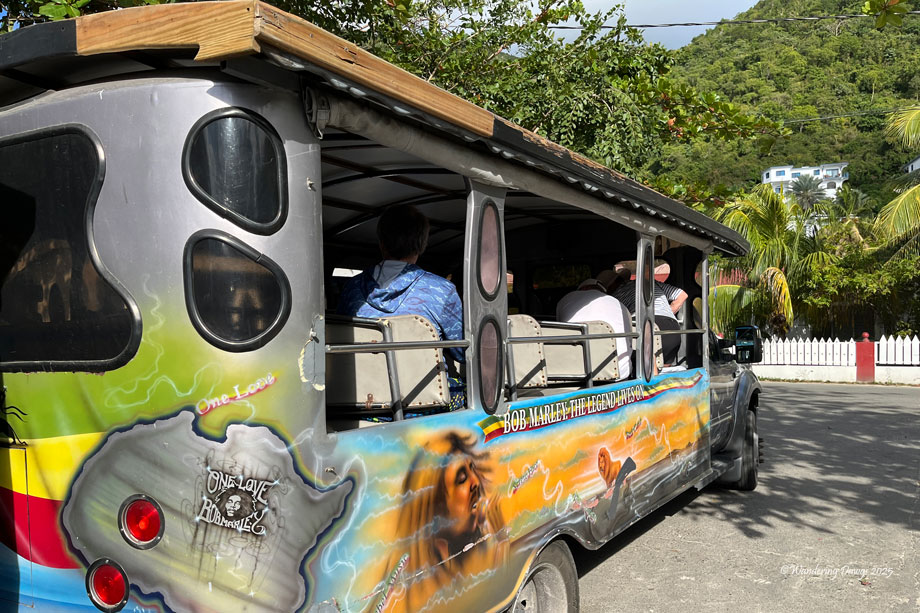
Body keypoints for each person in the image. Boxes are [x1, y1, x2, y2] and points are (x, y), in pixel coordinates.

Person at [337, 205, 465, 409]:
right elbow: (463, 352)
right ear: (422, 245)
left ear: (381, 243)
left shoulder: (351, 289)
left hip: (356, 402)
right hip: (422, 407)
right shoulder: (441, 290)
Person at [380, 431, 508, 612]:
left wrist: (497, 539)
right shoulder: (405, 590)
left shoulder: (458, 555)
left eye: (472, 469)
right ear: (433, 509)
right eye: (461, 479)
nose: (475, 482)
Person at [556, 269, 633, 379]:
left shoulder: (565, 300)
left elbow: (561, 330)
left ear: (582, 290)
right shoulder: (619, 304)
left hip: (575, 374)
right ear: (602, 292)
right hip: (619, 372)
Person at [611, 264, 688, 366]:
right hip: (670, 326)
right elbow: (682, 295)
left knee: (640, 368)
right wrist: (667, 313)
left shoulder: (617, 293)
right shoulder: (651, 283)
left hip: (643, 326)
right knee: (663, 370)